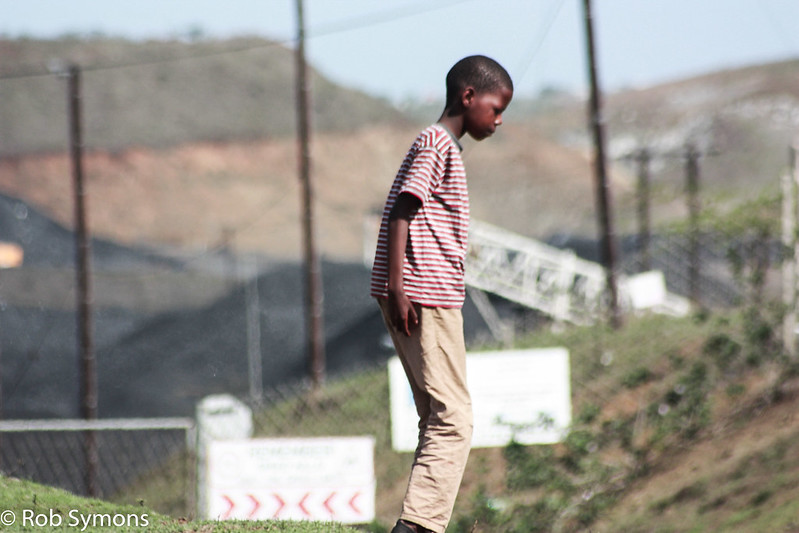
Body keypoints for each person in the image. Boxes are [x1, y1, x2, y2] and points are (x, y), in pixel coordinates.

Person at [370, 55, 513, 533]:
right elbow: (401, 211)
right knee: (454, 418)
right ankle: (418, 527)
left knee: (437, 414)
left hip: (424, 292)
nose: (498, 120)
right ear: (468, 97)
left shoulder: (444, 146)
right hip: (422, 293)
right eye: (496, 108)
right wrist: (397, 286)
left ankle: (414, 524)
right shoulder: (436, 143)